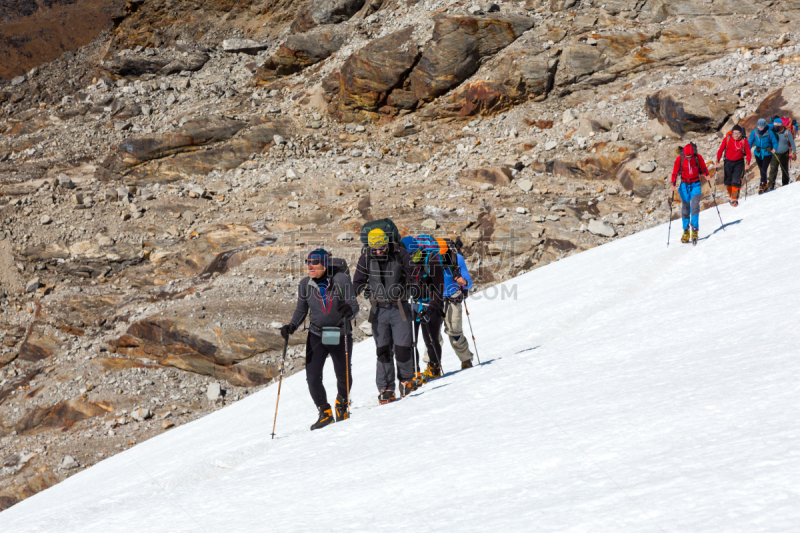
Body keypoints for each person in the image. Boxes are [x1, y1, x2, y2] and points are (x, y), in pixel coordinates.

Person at [281, 248, 358, 431]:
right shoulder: (305, 284)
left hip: (339, 334)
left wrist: (349, 310)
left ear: (324, 263)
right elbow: (301, 310)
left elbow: (354, 305)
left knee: (343, 374)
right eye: (308, 262)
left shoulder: (341, 280)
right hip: (316, 335)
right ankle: (325, 413)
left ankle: (342, 404)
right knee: (313, 377)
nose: (310, 266)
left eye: (314, 262)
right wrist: (291, 326)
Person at [353, 227, 417, 404]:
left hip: (400, 307)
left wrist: (416, 286)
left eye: (382, 248)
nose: (379, 251)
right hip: (378, 310)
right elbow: (357, 282)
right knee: (383, 351)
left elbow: (413, 273)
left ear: (387, 243)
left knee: (403, 347)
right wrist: (348, 302)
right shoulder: (365, 258)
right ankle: (386, 388)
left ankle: (406, 380)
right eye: (375, 249)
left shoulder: (399, 253)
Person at [404, 235, 447, 385]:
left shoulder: (432, 260)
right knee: (409, 341)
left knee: (430, 339)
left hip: (431, 304)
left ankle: (434, 369)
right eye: (407, 255)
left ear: (418, 250)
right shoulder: (405, 263)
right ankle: (414, 372)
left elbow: (439, 289)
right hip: (413, 303)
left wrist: (429, 311)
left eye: (412, 254)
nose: (410, 258)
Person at [440, 239, 475, 370]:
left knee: (455, 332)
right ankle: (433, 366)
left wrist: (464, 282)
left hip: (452, 298)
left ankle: (466, 360)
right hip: (433, 300)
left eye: (443, 254)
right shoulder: (428, 260)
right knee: (433, 336)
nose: (440, 258)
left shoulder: (456, 258)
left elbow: (469, 284)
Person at [671, 143, 711, 244]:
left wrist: (707, 174)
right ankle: (685, 230)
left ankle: (694, 230)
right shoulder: (679, 159)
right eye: (687, 157)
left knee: (695, 207)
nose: (688, 158)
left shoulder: (698, 157)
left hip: (696, 184)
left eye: (690, 157)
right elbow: (675, 172)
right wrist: (673, 183)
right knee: (685, 207)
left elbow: (703, 167)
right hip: (684, 185)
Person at [715, 124, 752, 207]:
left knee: (736, 181)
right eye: (734, 133)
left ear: (741, 133)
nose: (735, 135)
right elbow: (721, 150)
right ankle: (730, 195)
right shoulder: (727, 139)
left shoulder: (744, 141)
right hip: (728, 162)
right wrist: (717, 159)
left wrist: (748, 162)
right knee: (727, 182)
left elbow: (748, 153)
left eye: (737, 133)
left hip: (739, 162)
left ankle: (734, 198)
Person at [748, 119, 778, 194]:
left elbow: (775, 142)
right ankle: (765, 183)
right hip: (757, 153)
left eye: (762, 126)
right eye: (759, 126)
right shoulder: (754, 132)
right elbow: (750, 142)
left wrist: (774, 148)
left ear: (765, 126)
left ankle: (762, 184)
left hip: (767, 153)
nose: (760, 128)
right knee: (761, 169)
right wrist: (747, 150)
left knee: (764, 169)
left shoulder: (769, 132)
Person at [767, 118, 796, 191]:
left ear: (781, 126)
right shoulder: (772, 132)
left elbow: (792, 142)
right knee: (773, 170)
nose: (776, 127)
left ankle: (785, 185)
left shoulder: (786, 132)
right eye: (775, 125)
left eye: (777, 126)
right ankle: (770, 186)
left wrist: (794, 153)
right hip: (774, 154)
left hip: (784, 154)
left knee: (785, 170)